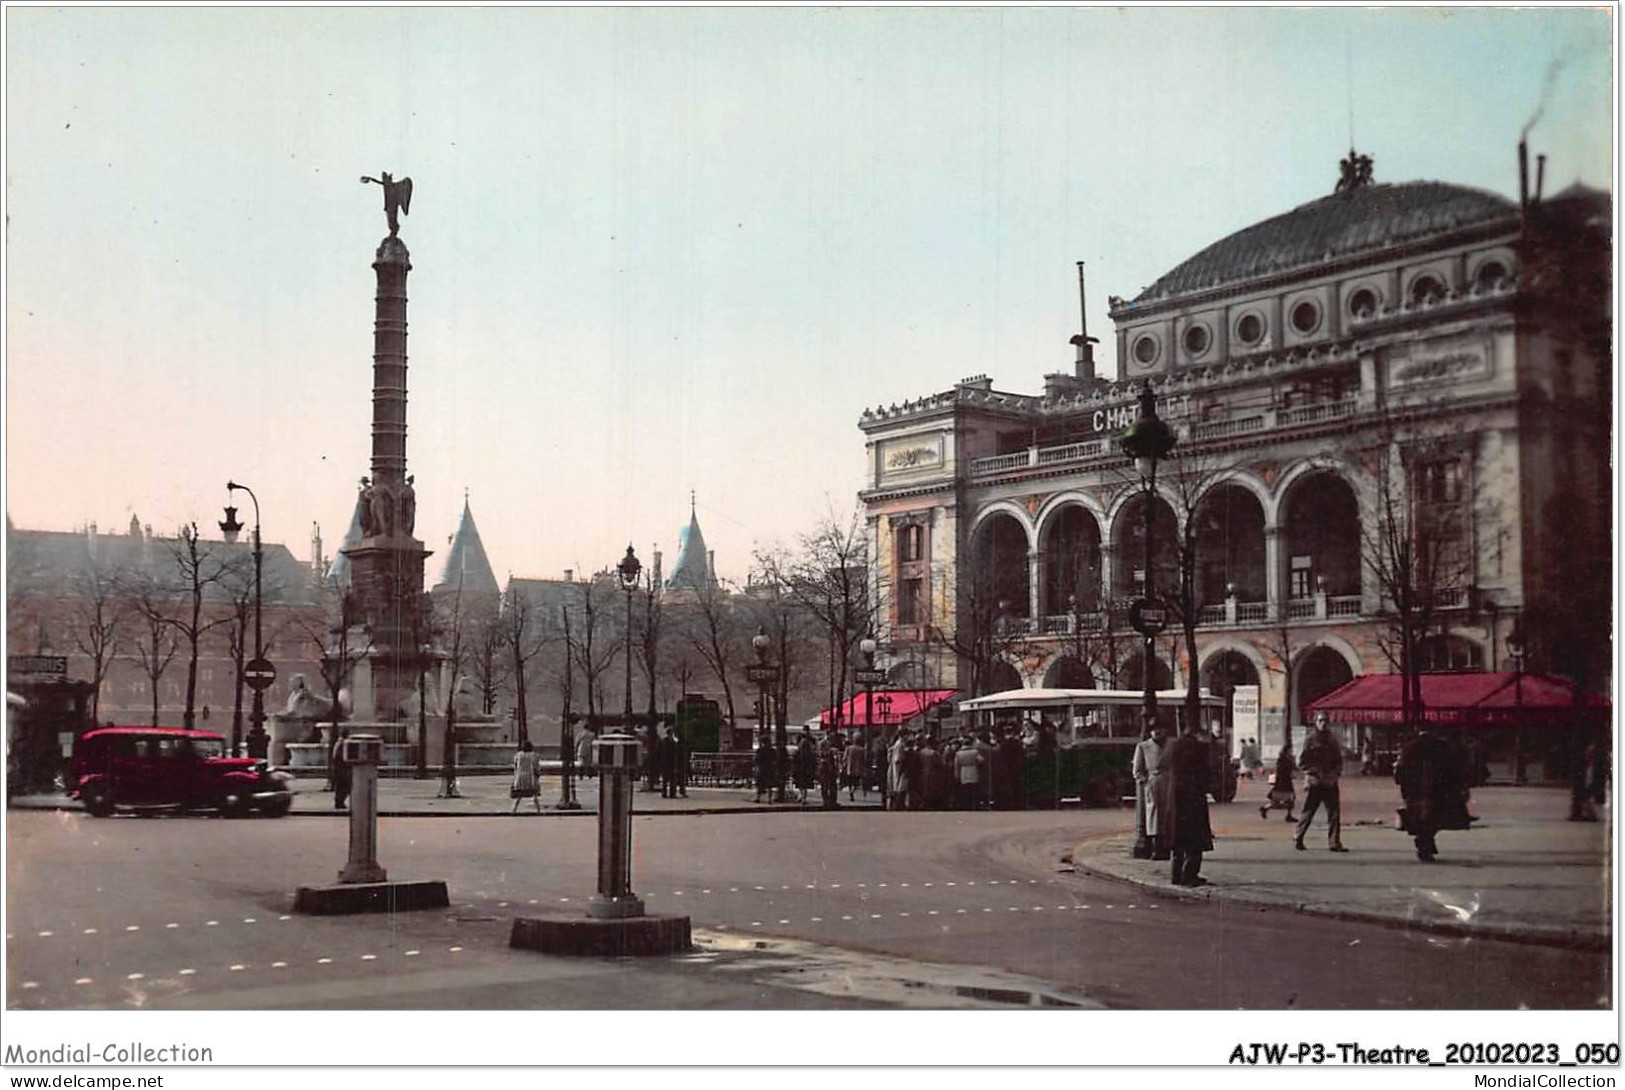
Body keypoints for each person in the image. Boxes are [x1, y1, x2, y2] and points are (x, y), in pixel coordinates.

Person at [1395, 727, 1471, 861]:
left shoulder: (1409, 747)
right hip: (1437, 790)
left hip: (1414, 790)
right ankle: (1426, 842)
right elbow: (1453, 769)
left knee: (1419, 817)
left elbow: (1400, 772)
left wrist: (1405, 788)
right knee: (1432, 819)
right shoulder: (1442, 747)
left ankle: (1424, 841)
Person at [1166, 723, 1215, 886]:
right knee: (1195, 841)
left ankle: (1176, 875)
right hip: (1193, 800)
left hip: (1176, 799)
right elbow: (1205, 773)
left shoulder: (1174, 746)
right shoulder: (1199, 748)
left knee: (1178, 841)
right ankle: (1189, 875)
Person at [1296, 713, 1348, 852]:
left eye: (1325, 720)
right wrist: (1314, 772)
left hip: (1330, 781)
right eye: (1320, 720)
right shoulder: (1310, 740)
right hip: (1316, 782)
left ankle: (1334, 842)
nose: (1323, 723)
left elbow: (1338, 761)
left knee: (1334, 813)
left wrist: (1334, 775)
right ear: (1316, 723)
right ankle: (1298, 836)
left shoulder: (1332, 740)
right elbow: (1302, 762)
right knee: (1308, 811)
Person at [1133, 721, 1172, 860]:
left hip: (1169, 783)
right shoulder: (1143, 747)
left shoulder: (1171, 745)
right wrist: (1144, 781)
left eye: (1160, 729)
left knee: (1168, 815)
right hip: (1153, 783)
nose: (1158, 732)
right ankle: (1156, 847)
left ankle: (1167, 847)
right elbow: (1137, 769)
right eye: (1154, 730)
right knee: (1153, 816)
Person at [1262, 743, 1297, 821]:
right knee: (1278, 801)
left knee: (1289, 800)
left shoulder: (1285, 759)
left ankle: (1289, 815)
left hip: (1284, 781)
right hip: (1283, 782)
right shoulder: (1284, 759)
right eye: (1290, 750)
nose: (1291, 751)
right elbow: (1285, 770)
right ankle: (1265, 808)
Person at [510, 739, 542, 814]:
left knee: (519, 795)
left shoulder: (518, 755)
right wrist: (538, 774)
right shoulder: (534, 756)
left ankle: (513, 810)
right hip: (530, 777)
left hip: (520, 777)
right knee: (534, 795)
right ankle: (538, 810)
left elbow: (515, 766)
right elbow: (536, 767)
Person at [954, 733, 984, 810]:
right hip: (973, 770)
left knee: (965, 790)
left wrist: (957, 776)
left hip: (963, 772)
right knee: (974, 789)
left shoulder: (958, 753)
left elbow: (956, 765)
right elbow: (981, 760)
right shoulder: (975, 752)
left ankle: (965, 805)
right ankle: (974, 805)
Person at [330, 730, 351, 810]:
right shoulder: (342, 744)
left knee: (342, 786)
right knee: (343, 786)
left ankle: (339, 802)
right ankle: (339, 802)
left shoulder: (339, 743)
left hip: (339, 769)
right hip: (341, 769)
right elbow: (340, 757)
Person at [754, 737, 778, 804]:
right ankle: (769, 799)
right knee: (769, 785)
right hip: (770, 769)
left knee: (760, 784)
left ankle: (758, 798)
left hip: (762, 769)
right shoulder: (772, 751)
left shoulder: (760, 750)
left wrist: (756, 768)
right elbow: (775, 760)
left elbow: (757, 760)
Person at [842, 735, 866, 801]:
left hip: (850, 767)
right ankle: (852, 791)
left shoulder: (849, 748)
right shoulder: (862, 749)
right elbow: (864, 759)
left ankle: (850, 791)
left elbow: (844, 758)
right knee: (856, 783)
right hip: (858, 768)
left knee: (850, 782)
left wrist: (844, 764)